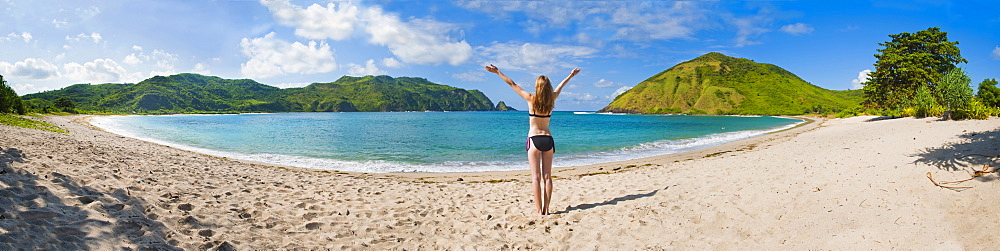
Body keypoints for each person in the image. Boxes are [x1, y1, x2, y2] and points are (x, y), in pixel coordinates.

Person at [485, 64, 580, 215]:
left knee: (536, 178)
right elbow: (561, 86)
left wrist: (497, 72)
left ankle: (538, 210)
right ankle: (547, 209)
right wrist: (571, 75)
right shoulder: (552, 100)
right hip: (548, 139)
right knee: (547, 177)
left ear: (537, 86)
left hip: (534, 139)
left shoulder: (530, 98)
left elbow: (512, 84)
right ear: (548, 87)